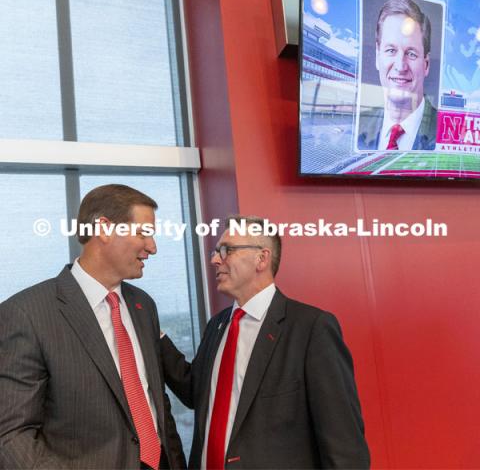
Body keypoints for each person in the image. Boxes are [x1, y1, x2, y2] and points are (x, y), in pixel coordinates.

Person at [161, 215, 370, 469]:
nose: (215, 260)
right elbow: (197, 392)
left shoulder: (311, 328)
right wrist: (154, 333)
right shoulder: (217, 326)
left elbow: (343, 441)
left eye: (226, 250)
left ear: (261, 259)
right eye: (216, 251)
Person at [0, 184, 186, 469]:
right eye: (144, 233)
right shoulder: (27, 313)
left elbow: (154, 401)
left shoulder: (143, 305)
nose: (153, 247)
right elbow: (11, 436)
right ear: (104, 228)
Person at [358, 0, 437, 151]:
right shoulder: (359, 125)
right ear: (377, 57)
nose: (401, 66)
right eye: (391, 50)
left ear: (426, 64)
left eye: (411, 54)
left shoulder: (447, 132)